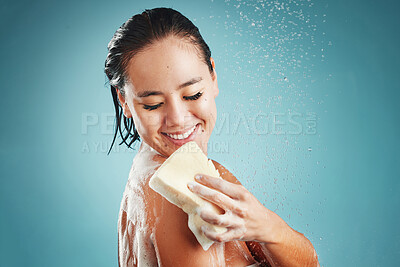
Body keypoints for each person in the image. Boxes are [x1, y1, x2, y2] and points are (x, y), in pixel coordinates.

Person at [104, 7, 319, 267]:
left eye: (192, 94)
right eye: (153, 104)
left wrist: (266, 227)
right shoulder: (184, 194)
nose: (178, 119)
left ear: (213, 75)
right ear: (124, 100)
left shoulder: (146, 173)